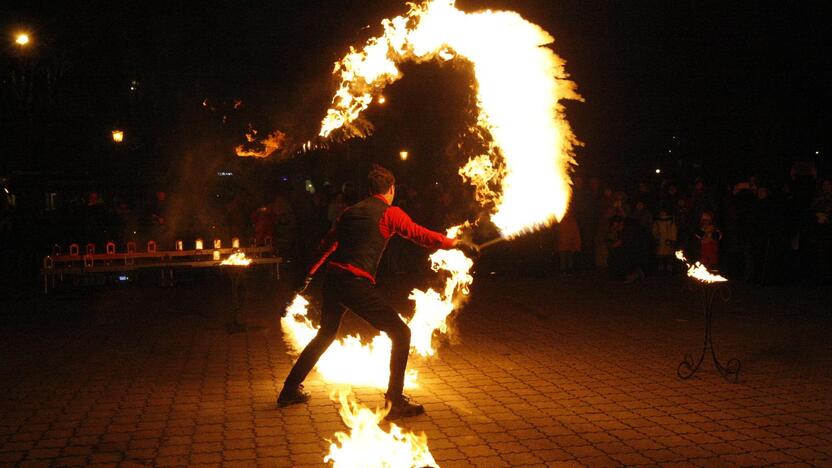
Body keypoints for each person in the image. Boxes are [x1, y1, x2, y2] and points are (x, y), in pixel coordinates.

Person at [277, 165, 478, 418]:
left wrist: (307, 275)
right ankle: (394, 402)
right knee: (401, 333)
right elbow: (420, 235)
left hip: (334, 279)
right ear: (391, 189)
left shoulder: (349, 212)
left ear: (370, 190)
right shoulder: (389, 213)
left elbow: (326, 246)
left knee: (326, 334)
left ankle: (289, 390)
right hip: (354, 283)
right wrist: (456, 244)